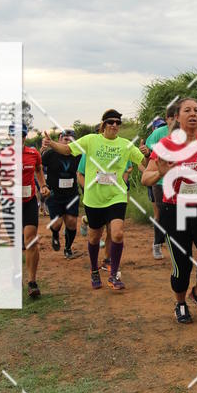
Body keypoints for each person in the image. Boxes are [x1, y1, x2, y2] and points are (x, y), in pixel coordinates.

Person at [142, 97, 197, 324]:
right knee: (182, 264)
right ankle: (180, 303)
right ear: (177, 117)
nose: (193, 114)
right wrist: (161, 174)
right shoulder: (167, 145)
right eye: (188, 110)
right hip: (175, 212)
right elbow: (145, 178)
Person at [42, 109, 146, 292]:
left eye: (118, 122)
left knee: (118, 233)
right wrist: (51, 143)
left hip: (117, 195)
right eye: (111, 122)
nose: (115, 125)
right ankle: (94, 270)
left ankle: (113, 275)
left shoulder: (126, 145)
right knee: (94, 237)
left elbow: (142, 161)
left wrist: (148, 153)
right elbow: (67, 149)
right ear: (104, 125)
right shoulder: (91, 140)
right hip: (94, 198)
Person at [17, 124, 50, 298]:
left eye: (21, 135)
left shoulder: (33, 153)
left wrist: (43, 185)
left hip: (29, 201)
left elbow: (38, 170)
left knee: (31, 239)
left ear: (25, 136)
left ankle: (32, 282)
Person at [145, 103, 178, 259]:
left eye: (177, 117)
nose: (175, 120)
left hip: (178, 183)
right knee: (161, 213)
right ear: (168, 118)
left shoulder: (185, 133)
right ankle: (157, 244)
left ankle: (177, 245)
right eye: (172, 117)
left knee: (178, 214)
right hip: (160, 182)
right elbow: (147, 151)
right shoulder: (159, 133)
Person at [41, 129, 81, 258]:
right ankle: (55, 234)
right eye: (65, 139)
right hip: (54, 194)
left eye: (71, 140)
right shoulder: (50, 154)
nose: (68, 142)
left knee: (71, 221)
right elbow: (38, 167)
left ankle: (68, 248)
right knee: (57, 223)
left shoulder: (78, 155)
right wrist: (43, 185)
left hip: (71, 194)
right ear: (59, 139)